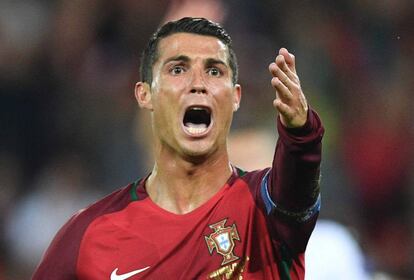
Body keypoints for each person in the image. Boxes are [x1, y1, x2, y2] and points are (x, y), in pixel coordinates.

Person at [33, 17, 324, 279]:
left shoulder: (264, 207)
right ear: (145, 94)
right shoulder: (90, 233)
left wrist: (300, 132)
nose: (198, 83)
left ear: (236, 97)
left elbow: (297, 182)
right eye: (178, 69)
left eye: (214, 70)